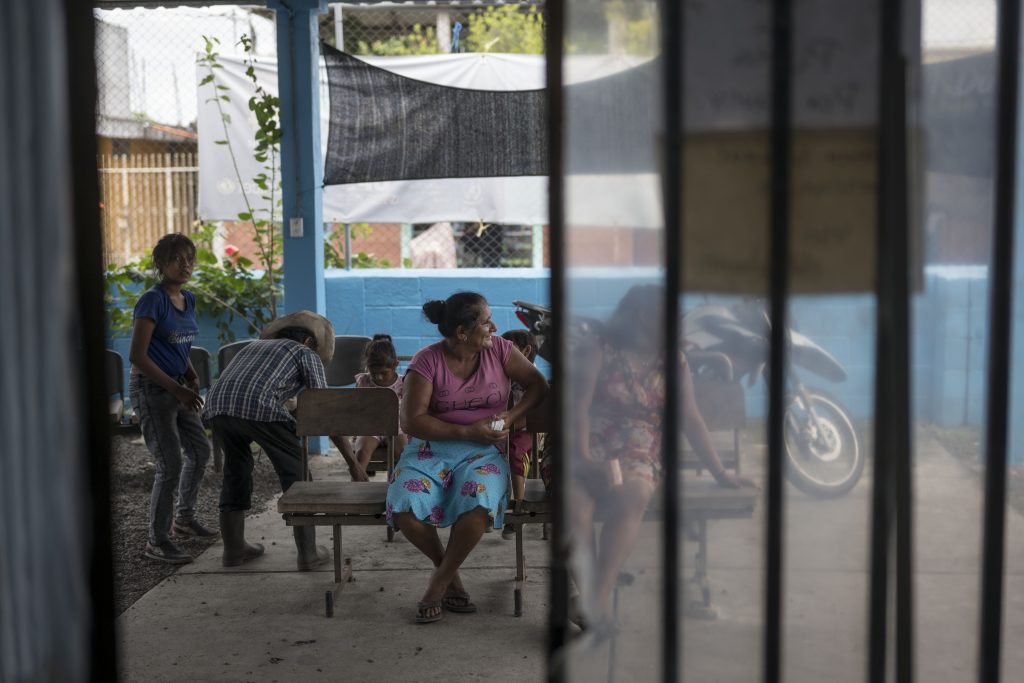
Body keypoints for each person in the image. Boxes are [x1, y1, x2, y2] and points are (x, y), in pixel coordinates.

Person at [570, 284, 756, 632]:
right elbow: (578, 409)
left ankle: (596, 599)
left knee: (636, 493)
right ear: (642, 316)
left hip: (638, 453)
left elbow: (690, 418)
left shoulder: (673, 360)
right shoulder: (598, 349)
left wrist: (719, 472)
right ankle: (589, 597)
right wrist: (583, 460)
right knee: (576, 508)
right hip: (586, 449)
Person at [386, 292, 548, 623]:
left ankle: (438, 582)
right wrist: (466, 431)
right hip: (430, 449)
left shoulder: (502, 351)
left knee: (479, 501)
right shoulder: (427, 361)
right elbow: (412, 420)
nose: (493, 326)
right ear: (463, 332)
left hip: (484, 451)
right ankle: (450, 576)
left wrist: (512, 414)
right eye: (486, 321)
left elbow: (537, 385)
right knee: (404, 505)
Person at [202, 311, 335, 570]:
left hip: (218, 407)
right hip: (257, 408)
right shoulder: (304, 352)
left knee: (236, 471)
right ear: (309, 342)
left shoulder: (253, 346)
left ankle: (233, 549)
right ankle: (308, 555)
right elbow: (322, 403)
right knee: (298, 477)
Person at [128, 233, 216, 565]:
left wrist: (190, 374)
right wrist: (176, 388)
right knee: (170, 463)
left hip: (179, 386)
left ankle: (184, 519)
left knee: (200, 449)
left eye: (190, 258)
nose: (185, 265)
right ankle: (157, 540)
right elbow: (138, 355)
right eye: (177, 258)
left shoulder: (188, 299)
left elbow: (178, 344)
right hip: (152, 391)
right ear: (161, 263)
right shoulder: (153, 300)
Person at [334, 334, 408, 481]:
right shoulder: (363, 381)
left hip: (396, 428)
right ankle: (358, 490)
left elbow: (408, 410)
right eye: (374, 373)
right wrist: (356, 432)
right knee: (361, 453)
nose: (379, 377)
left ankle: (395, 487)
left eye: (384, 373)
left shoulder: (403, 383)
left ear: (396, 364)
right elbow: (357, 408)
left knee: (403, 452)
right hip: (370, 429)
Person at [498, 328, 539, 541]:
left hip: (526, 430)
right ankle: (489, 507)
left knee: (514, 454)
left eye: (510, 349)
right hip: (505, 428)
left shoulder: (531, 377)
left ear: (526, 350)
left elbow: (533, 413)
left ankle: (519, 508)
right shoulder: (501, 374)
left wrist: (511, 423)